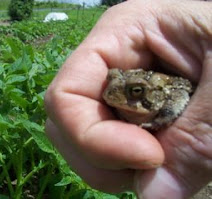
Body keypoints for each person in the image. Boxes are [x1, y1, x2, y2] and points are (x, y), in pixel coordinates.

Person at [44, 0, 212, 198]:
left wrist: (162, 120)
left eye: (135, 91)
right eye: (110, 78)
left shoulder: (168, 91)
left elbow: (181, 94)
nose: (112, 91)